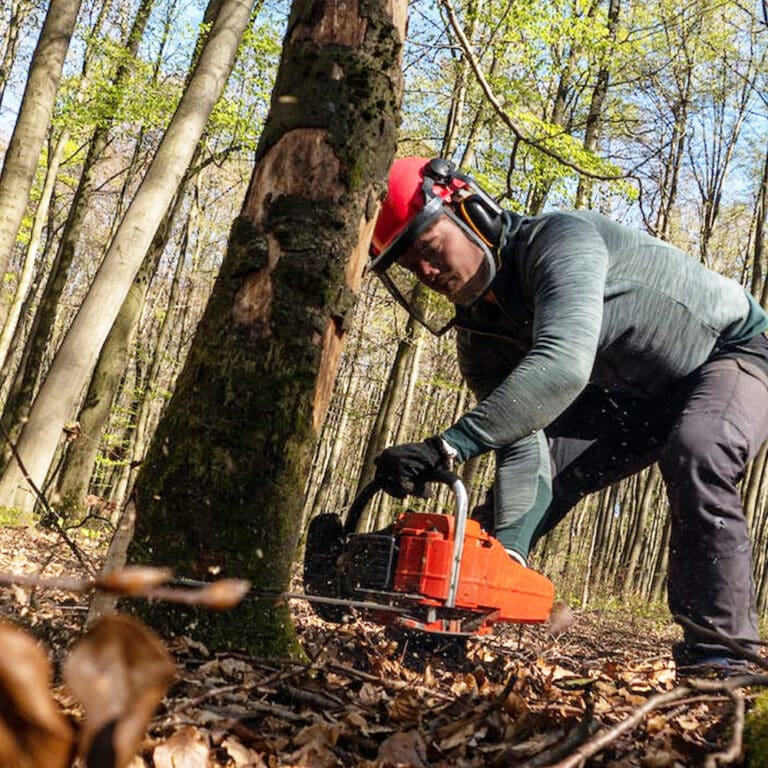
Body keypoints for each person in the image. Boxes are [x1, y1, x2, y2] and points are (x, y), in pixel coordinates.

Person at [368, 156, 768, 674]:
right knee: (528, 490)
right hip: (631, 398)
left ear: (471, 212)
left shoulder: (560, 239)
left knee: (699, 448)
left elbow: (562, 364)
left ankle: (723, 656)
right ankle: (446, 624)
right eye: (409, 264)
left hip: (729, 353)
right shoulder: (479, 334)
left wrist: (447, 446)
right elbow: (522, 435)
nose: (425, 271)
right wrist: (509, 549)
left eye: (428, 246)